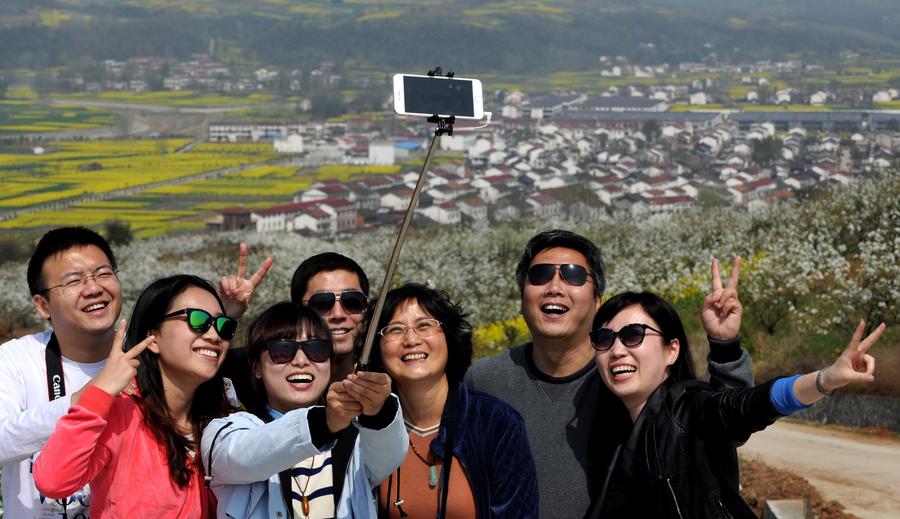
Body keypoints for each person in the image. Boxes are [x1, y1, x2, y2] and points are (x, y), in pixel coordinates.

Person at [464, 230, 754, 519]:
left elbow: (719, 420)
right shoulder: (485, 380)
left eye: (573, 275)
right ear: (522, 297)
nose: (554, 286)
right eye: (539, 275)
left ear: (597, 300)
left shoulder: (626, 378)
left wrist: (725, 346)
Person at [0, 227, 269, 517]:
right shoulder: (15, 360)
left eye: (103, 273)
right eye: (74, 280)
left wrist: (216, 318)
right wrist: (89, 397)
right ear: (42, 305)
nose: (93, 288)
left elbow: (198, 370)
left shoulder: (153, 357)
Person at [585, 287, 883, 518]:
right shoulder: (610, 437)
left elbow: (743, 406)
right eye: (604, 339)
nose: (617, 350)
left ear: (671, 350)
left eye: (633, 335)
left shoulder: (686, 410)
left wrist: (824, 379)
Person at [33, 274, 238, 517]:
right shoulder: (123, 413)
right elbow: (53, 481)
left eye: (223, 325)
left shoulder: (221, 418)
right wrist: (100, 392)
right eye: (198, 320)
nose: (214, 336)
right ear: (153, 337)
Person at [201, 301, 407, 519]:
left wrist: (379, 410)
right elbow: (243, 456)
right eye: (282, 351)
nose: (301, 361)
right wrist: (325, 423)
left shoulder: (358, 436)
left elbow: (389, 454)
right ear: (256, 367)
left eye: (316, 350)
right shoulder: (225, 431)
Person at [368, 283, 538, 519]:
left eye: (424, 325)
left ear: (449, 337)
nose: (411, 339)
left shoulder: (496, 424)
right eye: (395, 330)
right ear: (377, 349)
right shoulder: (367, 430)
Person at [291, 252, 371, 383]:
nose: (338, 315)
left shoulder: (391, 375)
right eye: (321, 304)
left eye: (352, 301)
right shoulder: (273, 376)